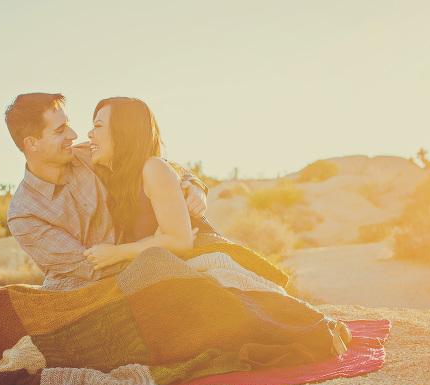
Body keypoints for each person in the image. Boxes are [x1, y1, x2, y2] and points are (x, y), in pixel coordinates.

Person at [83, 96, 351, 355]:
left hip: (198, 249)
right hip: (162, 258)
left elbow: (180, 241)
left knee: (234, 303)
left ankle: (320, 329)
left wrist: (115, 253)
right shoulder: (108, 172)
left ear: (124, 131)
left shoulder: (152, 168)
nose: (89, 134)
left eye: (97, 126)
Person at [4, 93, 208, 291]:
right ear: (32, 143)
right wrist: (160, 247)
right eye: (60, 131)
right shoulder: (23, 213)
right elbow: (92, 266)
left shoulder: (87, 154)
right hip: (82, 287)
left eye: (68, 124)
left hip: (137, 266)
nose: (74, 135)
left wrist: (194, 185)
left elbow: (142, 157)